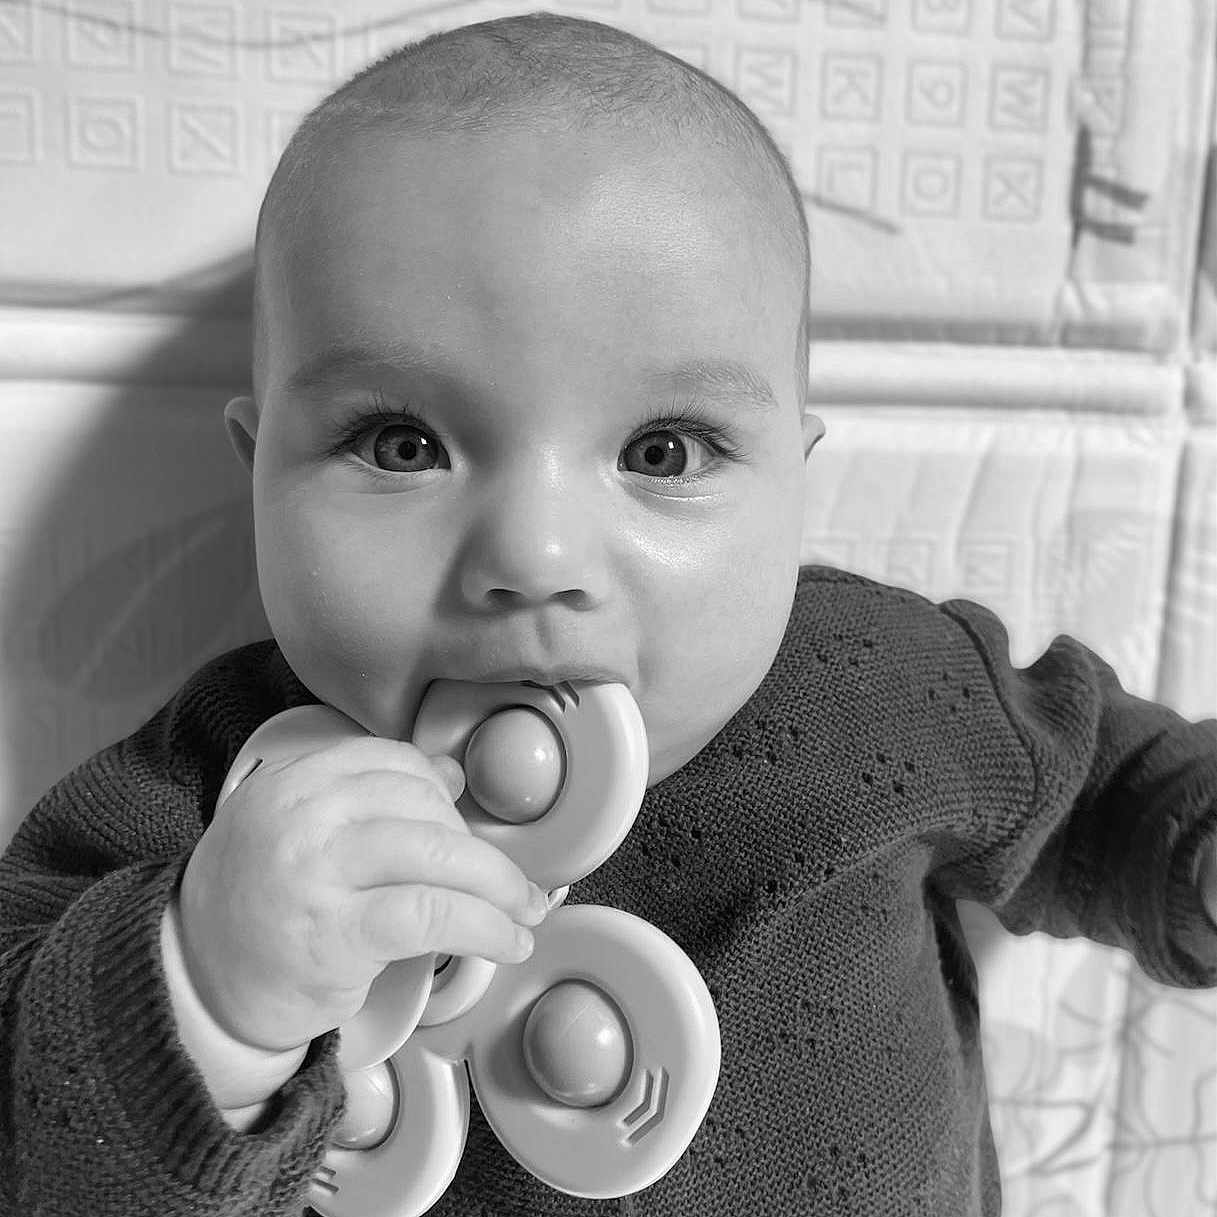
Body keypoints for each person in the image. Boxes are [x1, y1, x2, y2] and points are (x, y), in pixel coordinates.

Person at [1, 11, 1214, 1216]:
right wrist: (206, 991)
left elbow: (1100, 789)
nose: (533, 559)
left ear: (793, 478)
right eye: (401, 442)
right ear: (257, 468)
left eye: (663, 449)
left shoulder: (880, 685)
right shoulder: (217, 788)